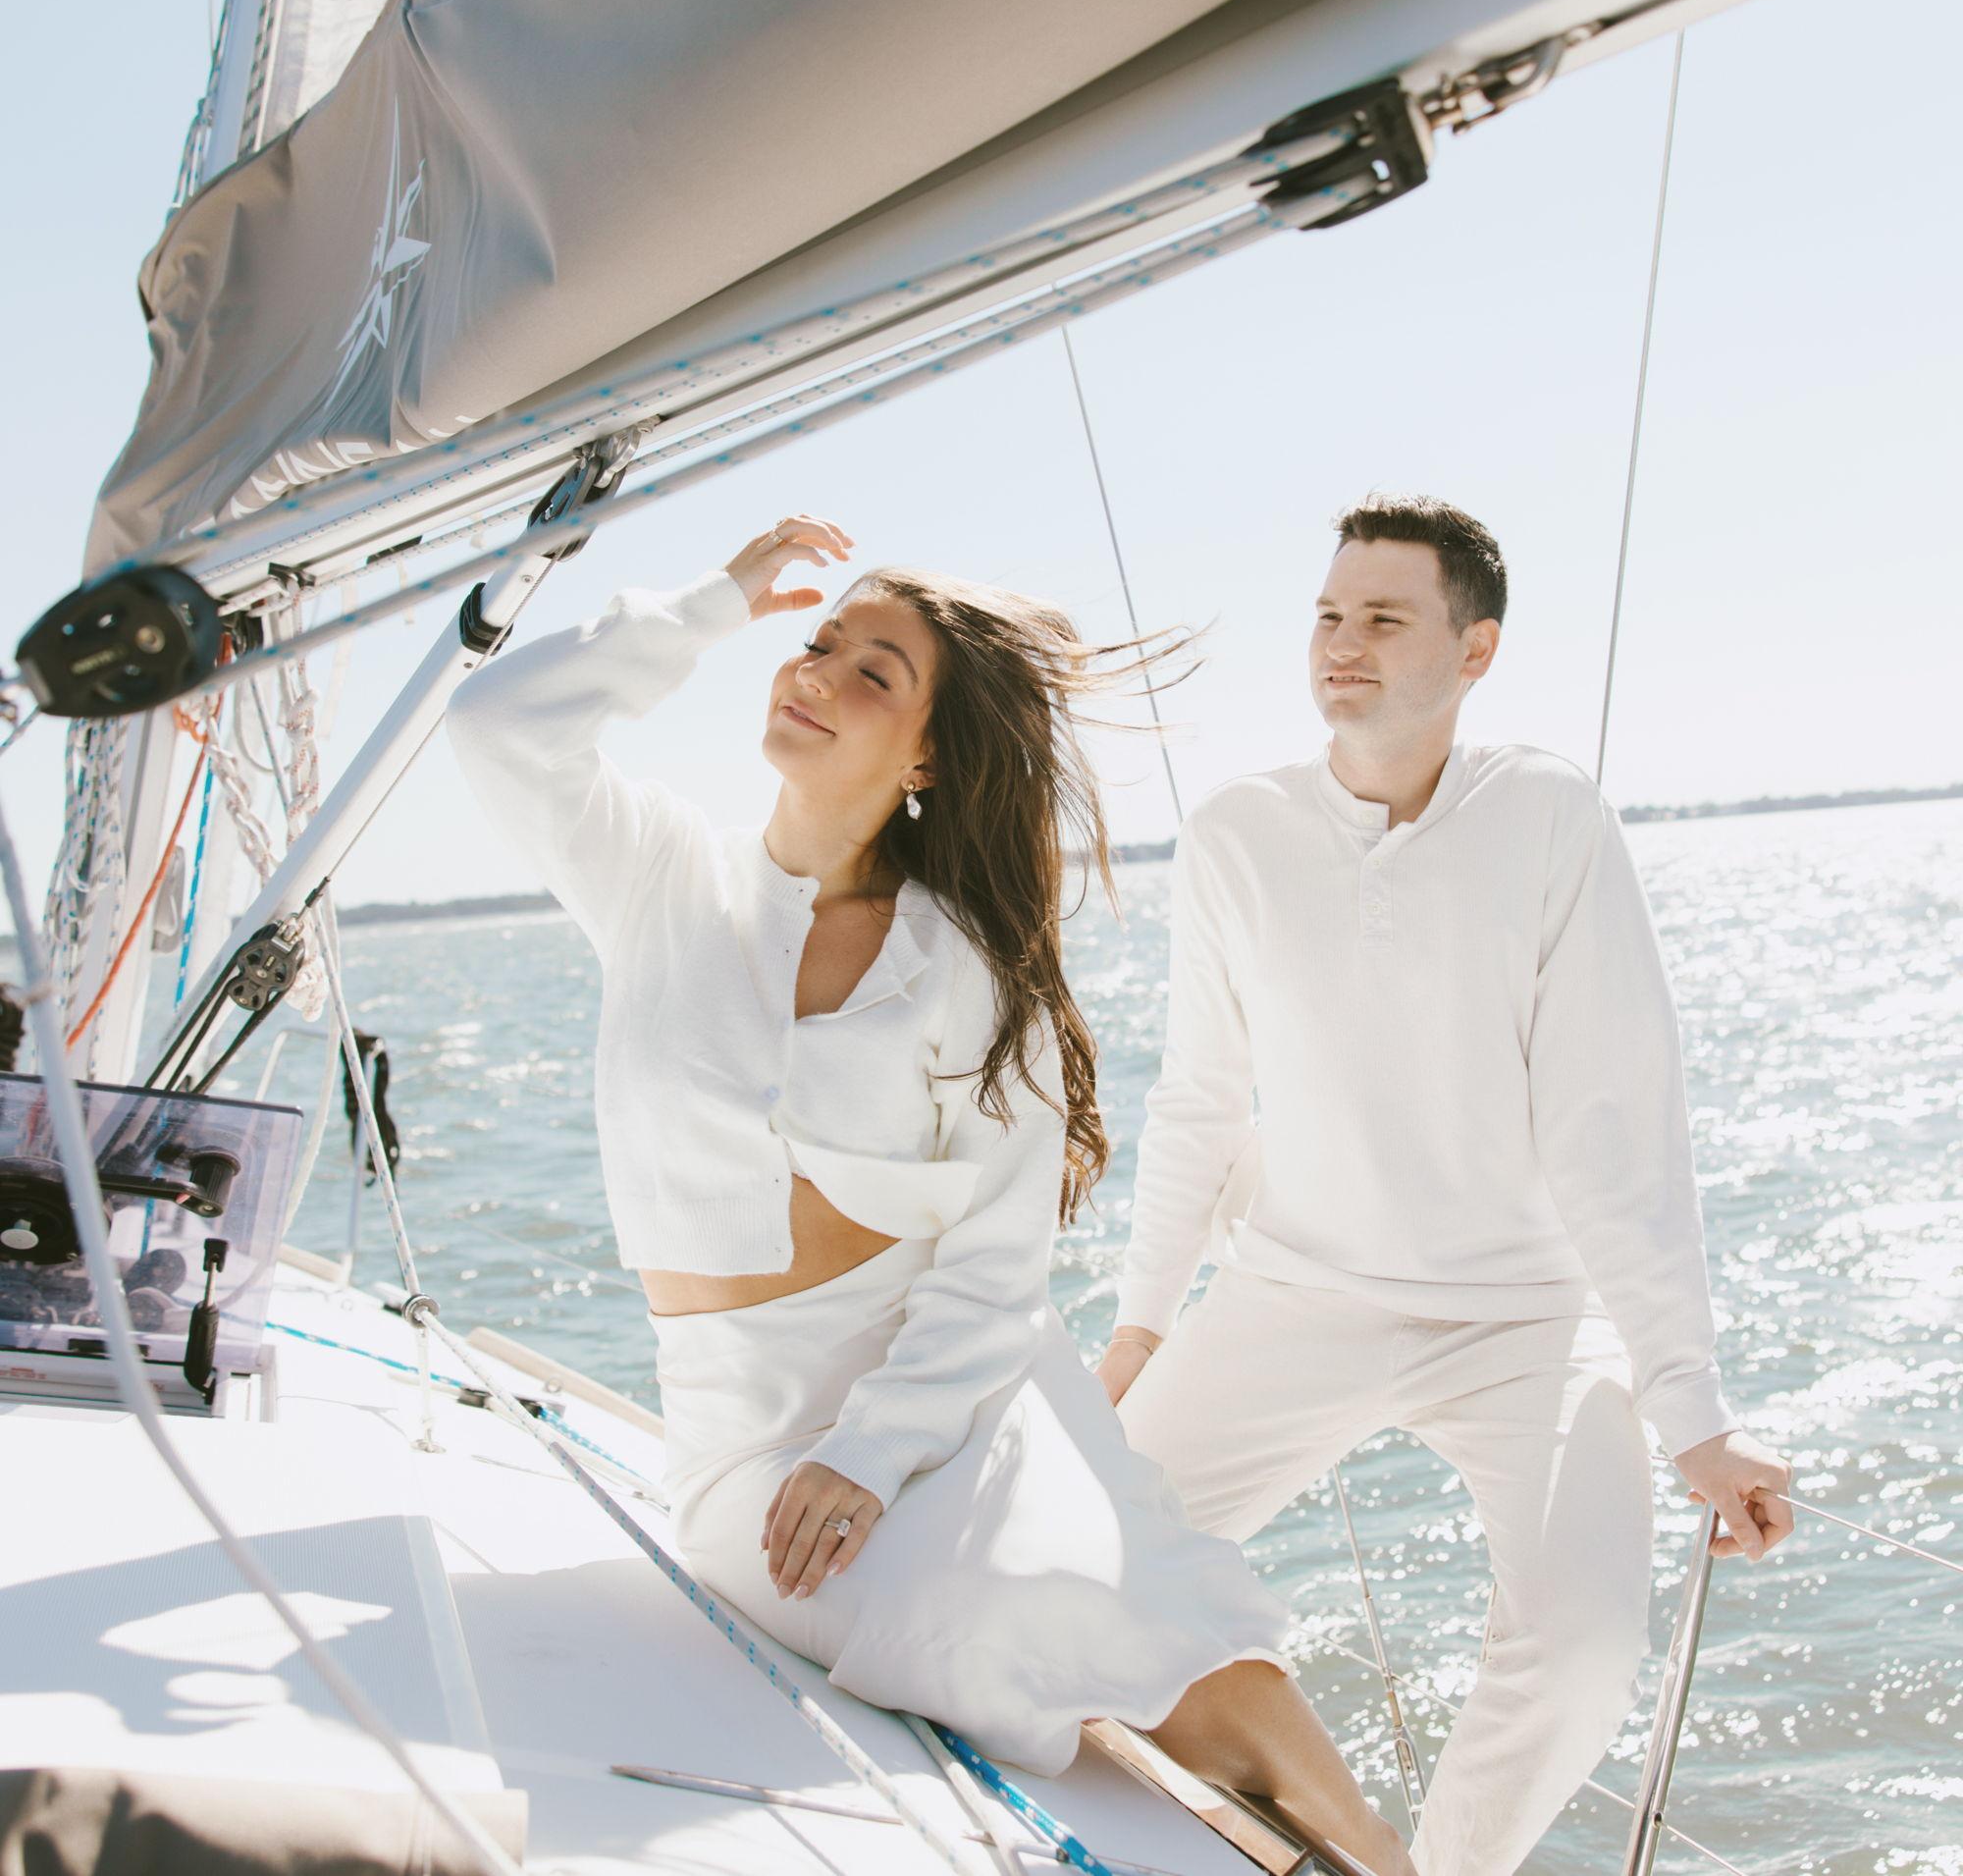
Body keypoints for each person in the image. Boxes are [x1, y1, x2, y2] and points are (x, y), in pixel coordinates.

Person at [446, 513, 1417, 1875]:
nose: (817, 673)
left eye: (874, 672)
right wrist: (714, 603)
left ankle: (1379, 1851)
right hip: (738, 1435)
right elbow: (495, 722)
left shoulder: (962, 963)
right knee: (956, 1614)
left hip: (945, 1390)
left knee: (1107, 1600)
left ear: (927, 757)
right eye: (818, 643)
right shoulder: (660, 877)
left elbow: (998, 1257)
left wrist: (873, 1447)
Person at [1098, 492, 1794, 1876]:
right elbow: (1196, 1100)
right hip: (1297, 1292)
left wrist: (1693, 1411)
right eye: (1328, 614)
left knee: (1583, 1653)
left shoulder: (1549, 816)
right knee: (1076, 1561)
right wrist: (1139, 1325)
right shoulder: (1235, 832)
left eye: (1383, 618)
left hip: (1527, 1317)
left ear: (1475, 651)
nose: (1340, 644)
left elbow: (1615, 1131)